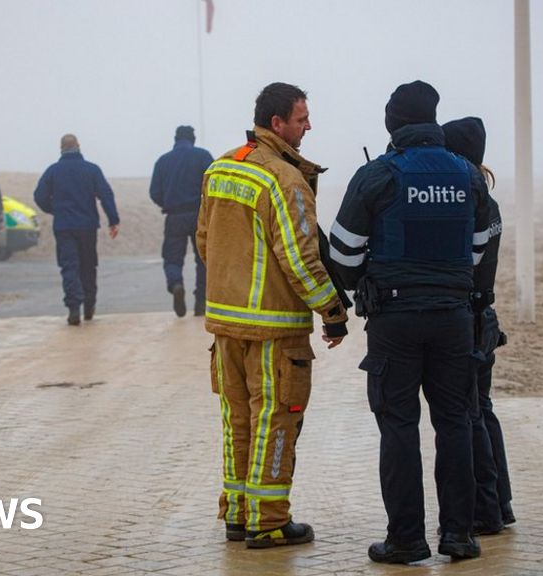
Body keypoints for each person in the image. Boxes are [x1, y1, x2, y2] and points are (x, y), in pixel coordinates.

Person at [328, 81, 492, 563]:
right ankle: (458, 536)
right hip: (453, 318)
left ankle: (406, 540)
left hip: (394, 320)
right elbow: (480, 246)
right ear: (434, 121)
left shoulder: (376, 174)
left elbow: (341, 251)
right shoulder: (467, 174)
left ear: (391, 123)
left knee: (399, 426)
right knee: (456, 423)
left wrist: (367, 280)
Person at [197, 82, 349, 549]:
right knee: (276, 419)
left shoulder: (221, 168)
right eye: (302, 119)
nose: (309, 127)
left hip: (225, 325)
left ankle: (238, 514)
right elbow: (302, 258)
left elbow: (205, 241)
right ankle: (270, 521)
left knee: (236, 421)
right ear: (277, 123)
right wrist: (332, 310)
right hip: (273, 330)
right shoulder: (284, 181)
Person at [442, 117, 516, 532]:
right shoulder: (488, 199)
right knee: (481, 411)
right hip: (483, 315)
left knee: (469, 414)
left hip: (468, 317)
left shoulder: (474, 201)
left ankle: (485, 509)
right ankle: (500, 502)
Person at [33, 134, 120, 325]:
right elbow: (106, 195)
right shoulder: (92, 170)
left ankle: (74, 307)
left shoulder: (53, 171)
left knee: (69, 266)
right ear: (78, 147)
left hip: (64, 226)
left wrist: (54, 209)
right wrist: (113, 220)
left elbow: (39, 196)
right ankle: (89, 305)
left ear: (61, 148)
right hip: (87, 226)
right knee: (88, 266)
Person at [149, 125, 214, 317]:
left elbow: (154, 192)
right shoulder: (203, 156)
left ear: (175, 139)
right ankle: (201, 302)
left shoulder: (163, 161)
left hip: (174, 216)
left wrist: (168, 203)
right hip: (198, 215)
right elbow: (214, 182)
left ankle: (176, 283)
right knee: (203, 259)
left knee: (172, 258)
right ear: (193, 139)